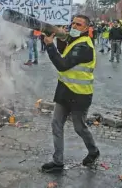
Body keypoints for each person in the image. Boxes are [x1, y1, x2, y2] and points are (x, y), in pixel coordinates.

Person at [41, 14, 99, 173]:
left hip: (80, 95)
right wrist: (55, 37)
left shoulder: (84, 46)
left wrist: (49, 45)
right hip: (65, 91)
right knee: (56, 124)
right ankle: (58, 161)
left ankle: (93, 151)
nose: (74, 27)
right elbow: (63, 50)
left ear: (87, 28)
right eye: (73, 23)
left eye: (78, 25)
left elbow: (62, 64)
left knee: (79, 128)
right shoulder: (74, 41)